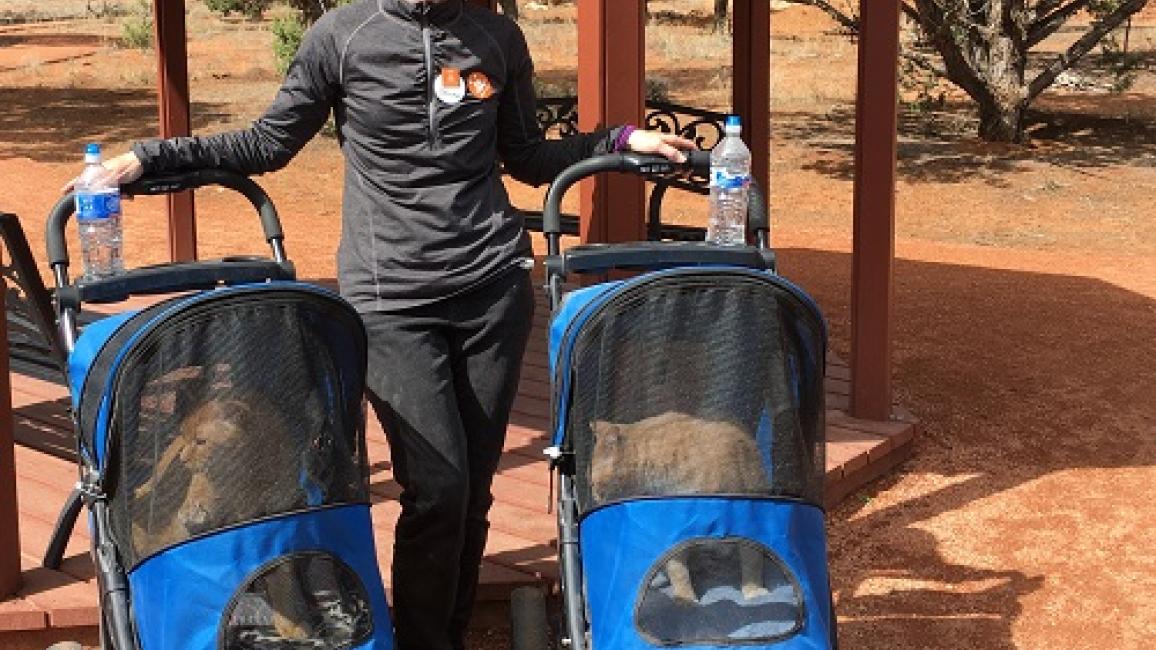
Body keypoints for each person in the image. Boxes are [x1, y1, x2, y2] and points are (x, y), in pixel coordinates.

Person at [71, 1, 695, 648]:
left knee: (472, 487)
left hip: (493, 285)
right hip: (391, 292)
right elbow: (268, 142)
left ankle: (444, 634)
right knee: (438, 482)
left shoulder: (495, 36)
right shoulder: (342, 36)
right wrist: (152, 156)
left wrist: (621, 140)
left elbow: (527, 155)